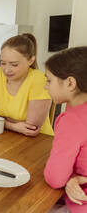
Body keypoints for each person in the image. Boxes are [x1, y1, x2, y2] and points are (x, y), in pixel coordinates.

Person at [0, 33, 53, 136]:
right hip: (7, 135)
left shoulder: (39, 79)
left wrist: (0, 120)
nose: (6, 70)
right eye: (2, 63)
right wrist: (13, 126)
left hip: (40, 140)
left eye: (14, 64)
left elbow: (31, 128)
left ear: (30, 60)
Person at [43, 47, 87, 213]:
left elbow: (55, 178)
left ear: (70, 83)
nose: (46, 87)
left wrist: (70, 178)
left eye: (49, 80)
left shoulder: (72, 120)